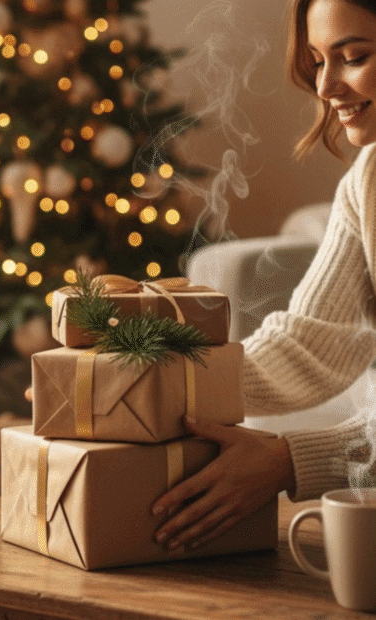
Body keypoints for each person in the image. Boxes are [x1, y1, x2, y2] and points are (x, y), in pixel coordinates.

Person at [152, 0, 376, 550]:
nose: (326, 88)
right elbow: (309, 344)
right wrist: (155, 382)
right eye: (318, 61)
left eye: (353, 57)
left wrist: (288, 462)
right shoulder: (368, 179)